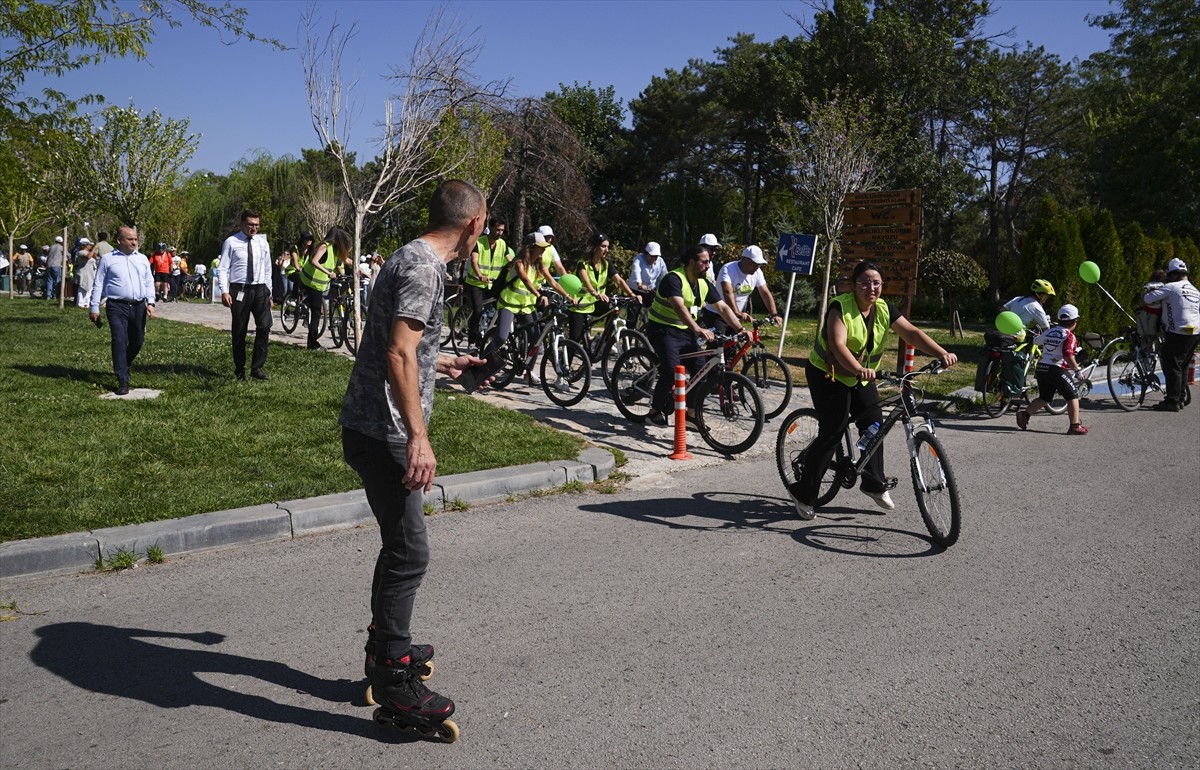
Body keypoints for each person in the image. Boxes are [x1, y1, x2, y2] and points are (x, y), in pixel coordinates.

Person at [339, 179, 491, 734]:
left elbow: (404, 346)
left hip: (368, 424)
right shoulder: (427, 267)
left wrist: (444, 361)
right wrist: (417, 438)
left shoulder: (408, 254)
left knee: (398, 545)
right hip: (385, 431)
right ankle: (396, 679)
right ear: (473, 223)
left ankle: (386, 648)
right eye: (485, 223)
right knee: (410, 552)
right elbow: (398, 351)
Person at [786, 260, 958, 518]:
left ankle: (873, 483)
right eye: (864, 282)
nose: (871, 288)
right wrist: (857, 368)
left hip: (861, 377)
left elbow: (911, 333)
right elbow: (838, 343)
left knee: (874, 424)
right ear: (854, 286)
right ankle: (804, 493)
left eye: (876, 283)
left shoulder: (884, 309)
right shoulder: (840, 307)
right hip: (828, 373)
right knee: (833, 430)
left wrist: (942, 353)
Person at [644, 245, 745, 427]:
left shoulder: (703, 283)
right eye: (704, 262)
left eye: (709, 262)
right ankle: (654, 411)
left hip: (685, 332)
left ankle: (691, 414)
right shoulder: (673, 279)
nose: (708, 266)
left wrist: (739, 329)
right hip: (662, 330)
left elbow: (722, 308)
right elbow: (679, 307)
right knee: (672, 371)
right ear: (692, 262)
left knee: (702, 369)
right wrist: (698, 329)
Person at [88, 226, 156, 395]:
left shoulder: (142, 259)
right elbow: (98, 284)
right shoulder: (107, 259)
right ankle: (122, 379)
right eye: (130, 239)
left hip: (139, 305)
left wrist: (151, 302)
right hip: (116, 306)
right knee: (119, 339)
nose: (134, 242)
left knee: (138, 340)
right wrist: (94, 307)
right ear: (119, 241)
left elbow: (149, 281)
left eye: (135, 239)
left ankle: (123, 364)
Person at [1015, 304, 1088, 434]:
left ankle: (1025, 415)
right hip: (1057, 369)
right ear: (1074, 322)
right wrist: (1077, 370)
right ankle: (1075, 425)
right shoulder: (1069, 336)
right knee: (1073, 396)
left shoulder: (1049, 331)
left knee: (1045, 397)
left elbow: (1037, 341)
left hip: (1042, 368)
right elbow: (1067, 354)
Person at [217, 209, 273, 380]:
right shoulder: (231, 242)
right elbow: (223, 268)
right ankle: (239, 368)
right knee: (239, 329)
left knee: (264, 326)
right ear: (242, 224)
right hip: (239, 289)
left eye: (256, 225)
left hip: (260, 289)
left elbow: (267, 269)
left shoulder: (263, 243)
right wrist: (224, 291)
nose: (253, 228)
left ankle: (257, 367)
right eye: (250, 224)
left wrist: (269, 293)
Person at [1143, 258, 1200, 412]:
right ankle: (1180, 399)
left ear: (1173, 275)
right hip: (1195, 333)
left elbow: (1147, 299)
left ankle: (1172, 401)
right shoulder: (1195, 290)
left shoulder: (1171, 287)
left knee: (1171, 365)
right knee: (1182, 366)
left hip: (1178, 331)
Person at [568, 232, 636, 344]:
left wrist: (631, 294)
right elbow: (587, 282)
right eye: (603, 246)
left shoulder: (606, 264)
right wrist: (596, 293)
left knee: (613, 310)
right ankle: (567, 360)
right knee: (575, 340)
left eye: (608, 247)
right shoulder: (583, 264)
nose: (606, 250)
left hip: (595, 303)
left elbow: (619, 280)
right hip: (579, 304)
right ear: (594, 247)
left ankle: (604, 342)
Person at [702, 245, 782, 331]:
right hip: (717, 314)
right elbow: (728, 292)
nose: (755, 267)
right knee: (719, 343)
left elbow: (765, 293)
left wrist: (774, 314)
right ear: (743, 259)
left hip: (735, 316)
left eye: (758, 265)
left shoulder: (757, 272)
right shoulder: (728, 269)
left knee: (738, 342)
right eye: (753, 263)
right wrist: (737, 313)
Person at [299, 226, 352, 351]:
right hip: (311, 283)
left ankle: (306, 305)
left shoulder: (335, 249)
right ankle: (312, 344)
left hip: (319, 284)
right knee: (316, 313)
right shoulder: (325, 246)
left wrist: (358, 267)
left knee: (317, 310)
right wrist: (328, 273)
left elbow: (346, 260)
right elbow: (314, 261)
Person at [464, 218, 508, 347]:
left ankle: (492, 337)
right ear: (491, 228)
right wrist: (480, 275)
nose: (500, 233)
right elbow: (474, 261)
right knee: (477, 311)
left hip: (492, 284)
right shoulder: (479, 242)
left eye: (502, 230)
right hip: (476, 283)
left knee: (499, 310)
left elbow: (509, 260)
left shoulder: (502, 244)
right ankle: (472, 341)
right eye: (497, 230)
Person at [627, 241, 667, 327]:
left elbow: (664, 276)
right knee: (632, 317)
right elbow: (636, 271)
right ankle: (628, 337)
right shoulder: (639, 259)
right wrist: (640, 284)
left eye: (656, 256)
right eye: (652, 256)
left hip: (650, 290)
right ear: (646, 254)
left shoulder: (660, 261)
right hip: (636, 290)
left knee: (657, 313)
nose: (654, 259)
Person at [73, 239, 97, 308]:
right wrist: (94, 248)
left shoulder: (88, 252)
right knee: (82, 289)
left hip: (90, 274)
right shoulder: (81, 252)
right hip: (84, 274)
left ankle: (86, 304)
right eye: (89, 245)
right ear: (85, 245)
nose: (90, 246)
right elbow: (88, 257)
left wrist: (93, 251)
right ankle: (80, 304)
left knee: (88, 290)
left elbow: (94, 257)